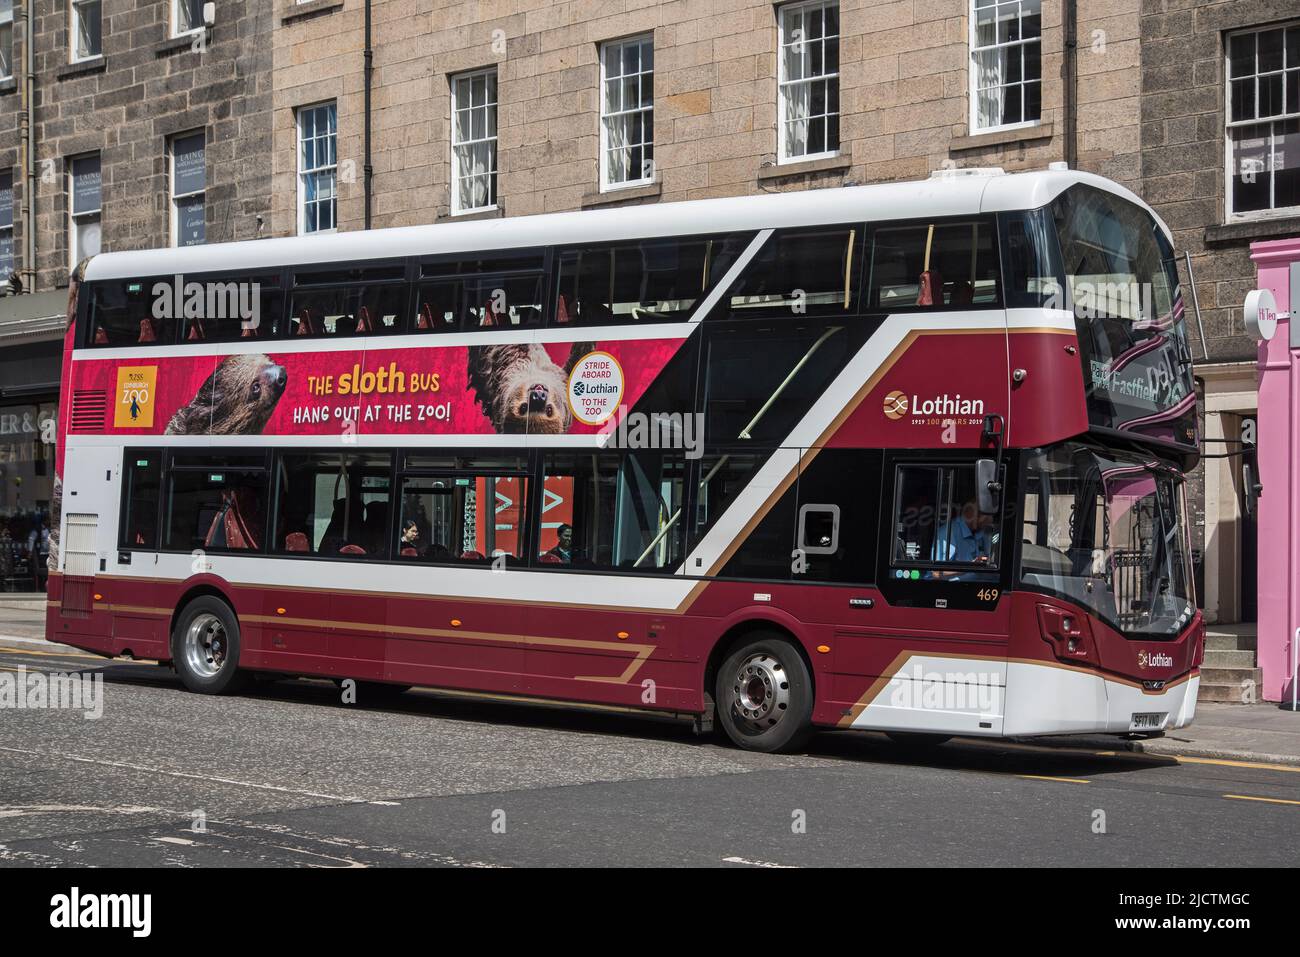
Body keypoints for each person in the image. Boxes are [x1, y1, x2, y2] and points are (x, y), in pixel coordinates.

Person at [931, 499, 995, 580]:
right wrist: (971, 567)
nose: (984, 524)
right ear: (970, 514)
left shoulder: (980, 531)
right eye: (983, 519)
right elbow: (936, 573)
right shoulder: (949, 532)